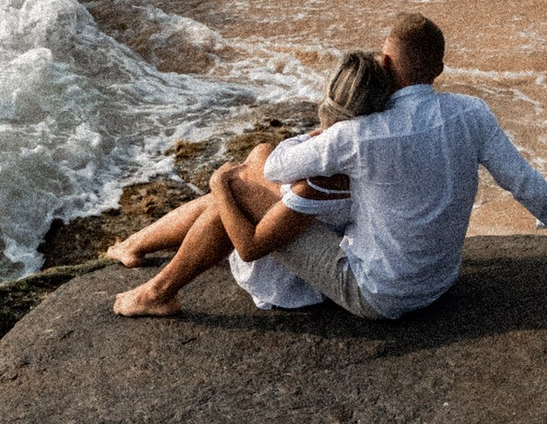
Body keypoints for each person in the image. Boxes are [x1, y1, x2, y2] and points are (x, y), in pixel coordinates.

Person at [112, 10, 547, 320]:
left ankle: (157, 292)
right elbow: (525, 182)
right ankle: (137, 244)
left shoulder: (359, 136)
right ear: (439, 69)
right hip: (437, 281)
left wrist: (288, 147)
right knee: (250, 186)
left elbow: (275, 168)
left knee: (241, 183)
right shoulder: (472, 113)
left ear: (384, 63)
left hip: (374, 294)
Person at [106, 51, 394, 308]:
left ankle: (157, 292)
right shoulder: (381, 146)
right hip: (323, 237)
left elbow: (249, 247)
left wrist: (219, 184)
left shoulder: (324, 176)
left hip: (296, 278)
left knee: (228, 199)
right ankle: (135, 244)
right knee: (247, 178)